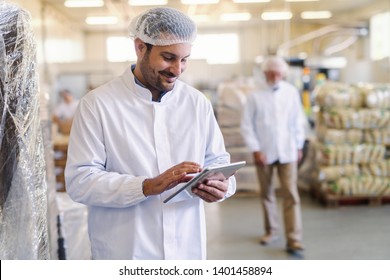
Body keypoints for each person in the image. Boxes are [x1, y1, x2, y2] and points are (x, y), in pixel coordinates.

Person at [64, 7, 236, 260]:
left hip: (185, 249)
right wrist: (145, 186)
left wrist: (223, 185)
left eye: (184, 59)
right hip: (125, 250)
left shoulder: (196, 103)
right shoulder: (98, 104)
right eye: (168, 57)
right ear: (140, 47)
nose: (177, 69)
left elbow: (218, 162)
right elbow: (80, 181)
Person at [240, 56, 306, 255]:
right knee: (267, 193)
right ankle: (271, 231)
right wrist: (256, 149)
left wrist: (299, 145)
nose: (275, 77)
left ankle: (294, 239)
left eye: (279, 74)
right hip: (264, 152)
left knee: (291, 194)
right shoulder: (254, 96)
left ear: (284, 74)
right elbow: (246, 125)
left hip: (288, 151)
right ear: (265, 73)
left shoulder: (291, 92)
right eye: (272, 73)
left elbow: (298, 121)